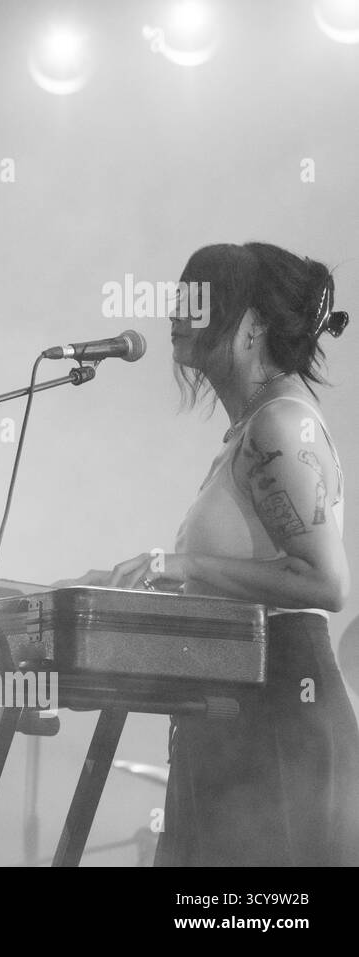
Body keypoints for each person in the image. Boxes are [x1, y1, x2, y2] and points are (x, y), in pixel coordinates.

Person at [60, 242, 359, 865]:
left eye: (200, 300)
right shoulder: (253, 428)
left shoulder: (281, 425)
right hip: (234, 705)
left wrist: (184, 566)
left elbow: (327, 584)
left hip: (278, 707)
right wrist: (135, 592)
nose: (177, 312)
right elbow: (249, 578)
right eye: (180, 297)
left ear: (254, 324)